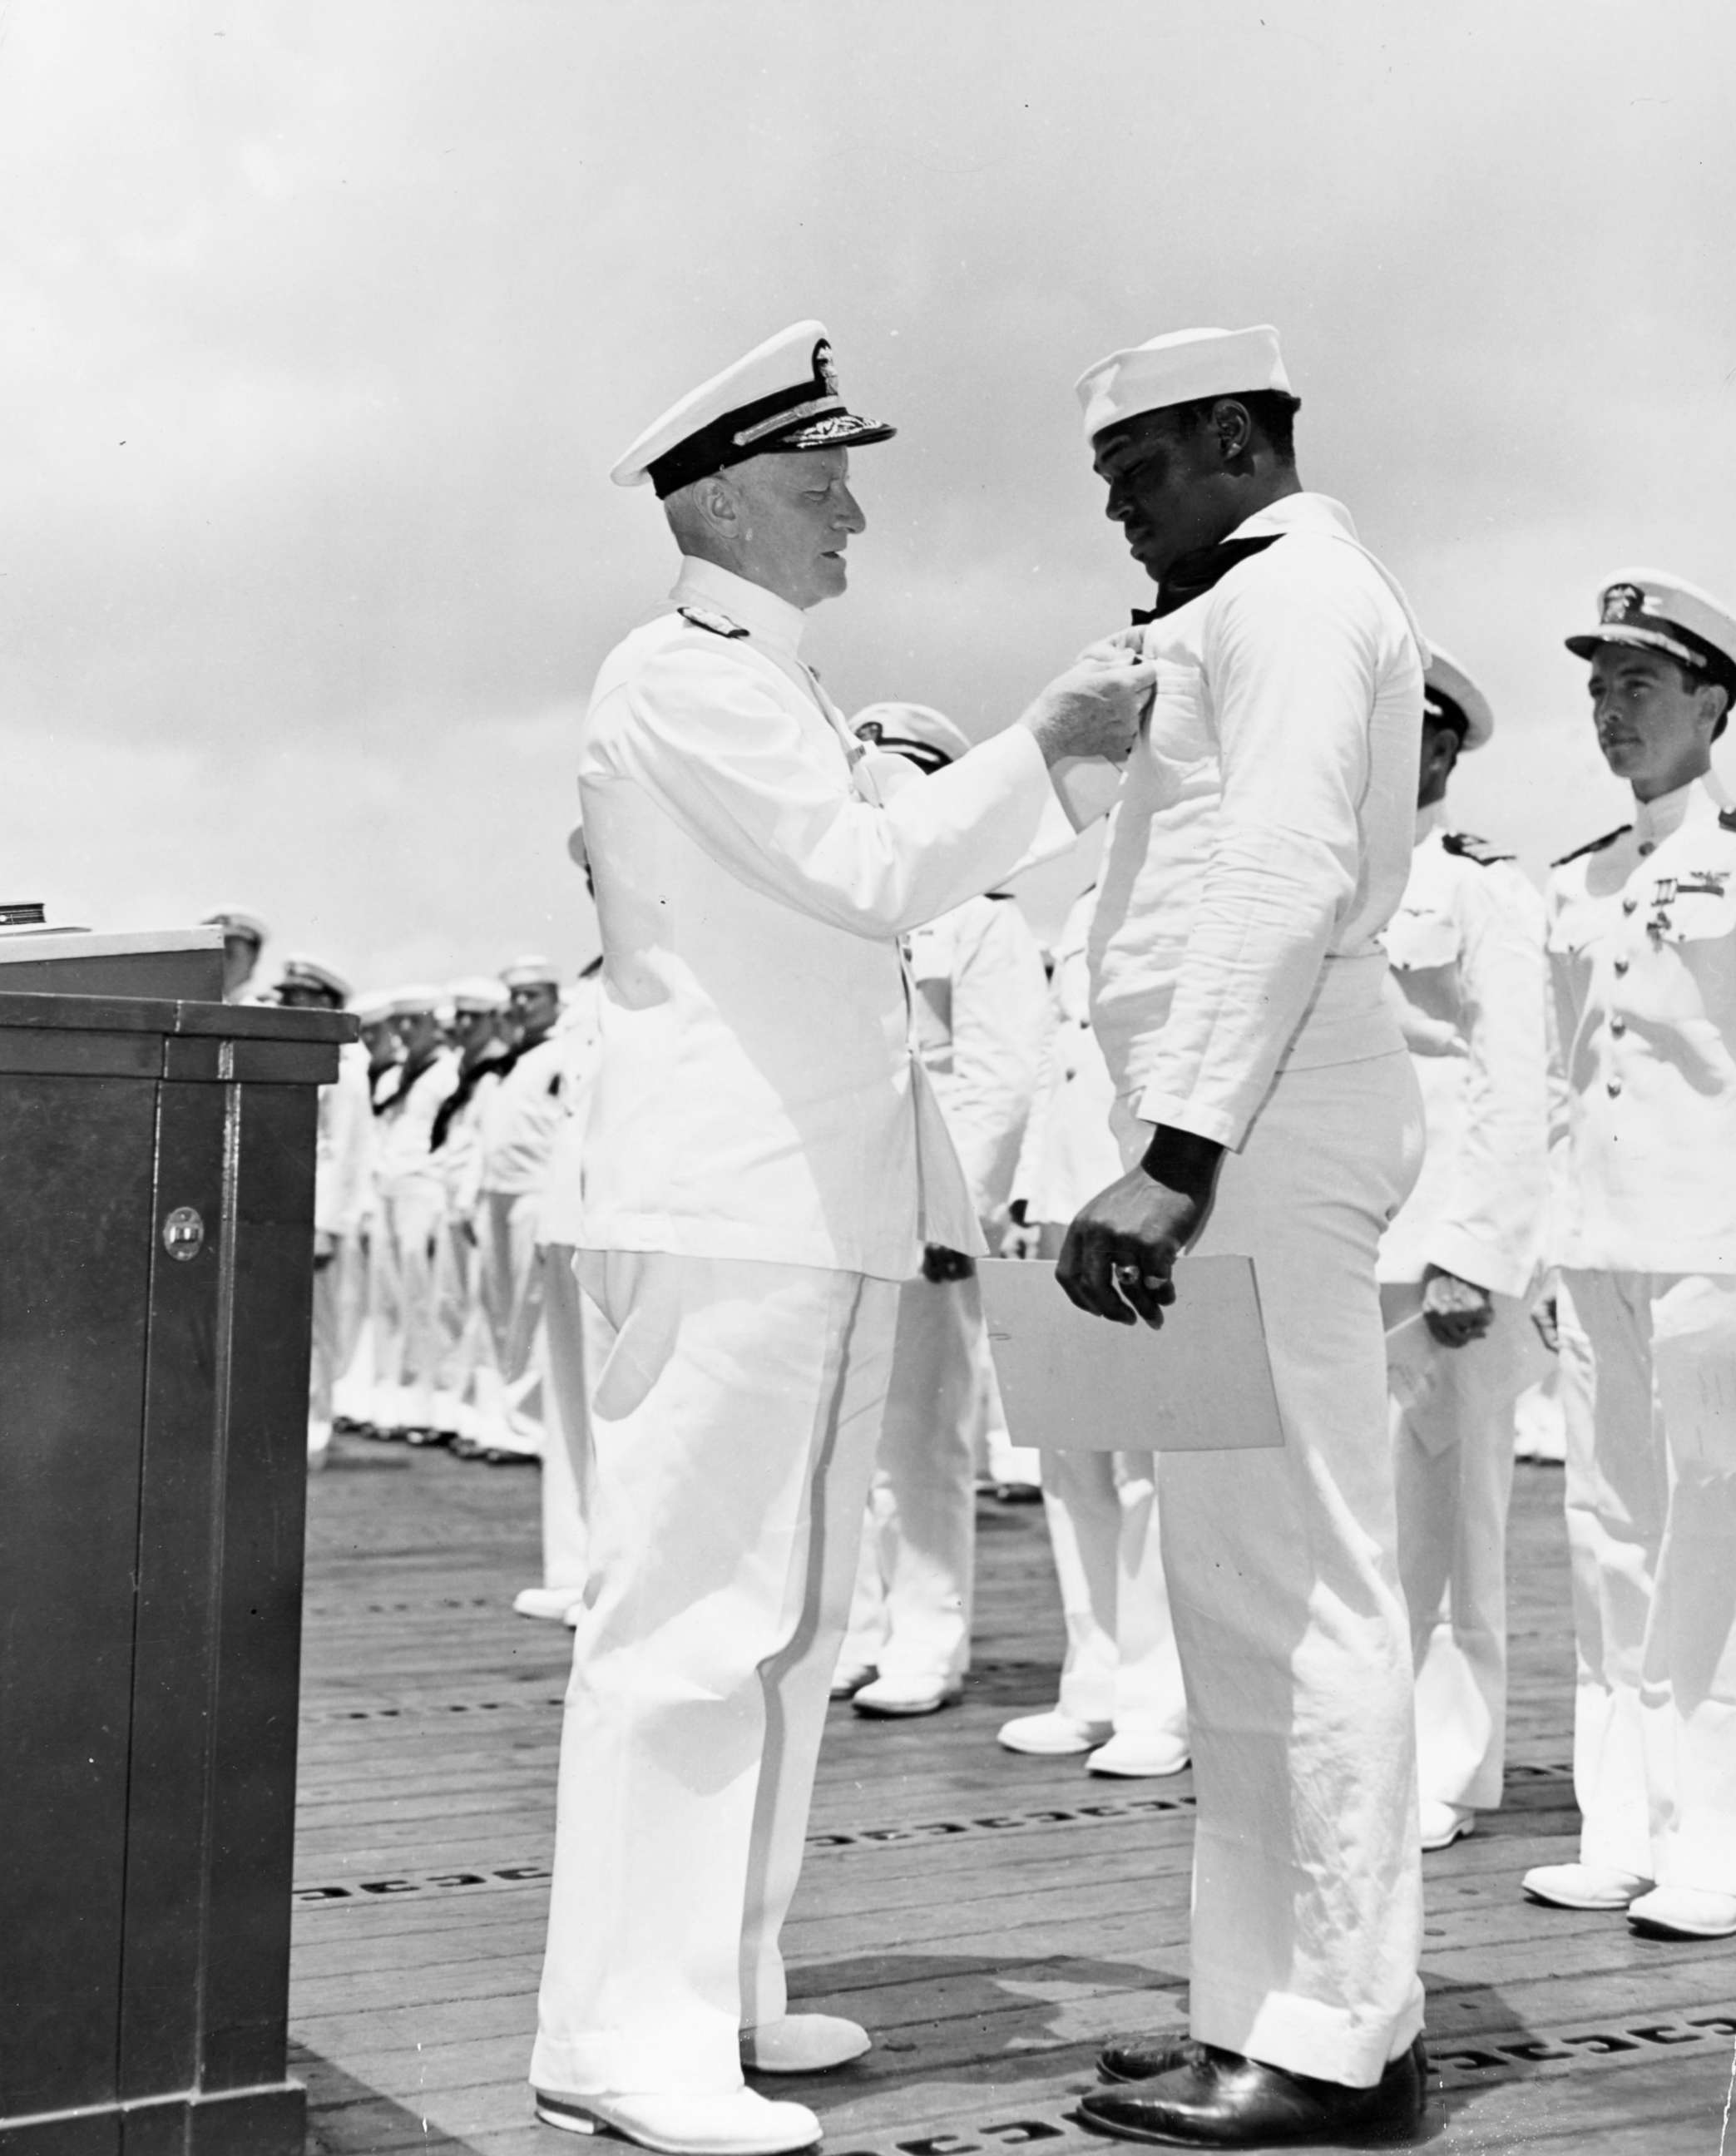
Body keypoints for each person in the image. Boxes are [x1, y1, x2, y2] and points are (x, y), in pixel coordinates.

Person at [528, 318, 1151, 2156]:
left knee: (784, 1620)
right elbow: (879, 875)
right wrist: (1046, 736)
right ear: (719, 500)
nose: (853, 518)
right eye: (818, 488)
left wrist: (1070, 765)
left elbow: (926, 864)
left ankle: (714, 1987)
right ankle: (617, 2038)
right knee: (687, 1619)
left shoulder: (775, 694)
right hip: (731, 1207)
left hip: (810, 1210)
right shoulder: (687, 679)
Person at [1056, 325, 1431, 2147]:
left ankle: (1334, 2035)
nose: (1117, 510)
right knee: (1233, 1584)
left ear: (1227, 437)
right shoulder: (1235, 601)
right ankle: (1263, 2004)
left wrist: (1178, 1149)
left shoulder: (1290, 598)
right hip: (1225, 1118)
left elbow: (1275, 869)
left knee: (1304, 1578)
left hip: (1258, 1118)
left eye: (1136, 470)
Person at [1521, 570, 1736, 1941]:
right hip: (1597, 1242)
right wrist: (1545, 1243)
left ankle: (1714, 1843)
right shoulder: (1583, 875)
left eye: (1640, 686)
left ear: (1712, 703)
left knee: (1716, 1541)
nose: (1611, 711)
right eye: (1598, 688)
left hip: (1713, 1247)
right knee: (1607, 1533)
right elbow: (1556, 1080)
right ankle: (1624, 1828)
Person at [834, 702, 1051, 1717]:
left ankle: (926, 1637)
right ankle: (864, 1626)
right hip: (848, 1210)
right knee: (852, 1432)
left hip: (928, 1217)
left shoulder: (982, 918)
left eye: (886, 775)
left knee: (922, 1434)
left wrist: (952, 1213)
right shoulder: (849, 916)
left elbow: (1001, 1078)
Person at [1377, 649, 1550, 1853]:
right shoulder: (1334, 877)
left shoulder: (1479, 888)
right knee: (1364, 1521)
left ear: (1443, 749)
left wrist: (1471, 1255)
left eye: (1407, 734)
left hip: (1440, 1247)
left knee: (1446, 1513)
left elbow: (1511, 1080)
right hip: (1348, 1243)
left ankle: (1450, 1765)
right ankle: (1376, 1751)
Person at [997, 878, 1190, 1777]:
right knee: (1069, 1459)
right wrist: (1028, 1189)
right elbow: (1053, 1063)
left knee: (1145, 1464)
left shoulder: (1189, 873)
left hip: (1134, 1193)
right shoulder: (1079, 904)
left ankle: (1156, 1703)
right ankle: (1094, 1683)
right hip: (1062, 1198)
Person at [470, 956, 568, 1462]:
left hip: (535, 1192)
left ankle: (529, 1427)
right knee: (501, 1313)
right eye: (518, 997)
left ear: (555, 1000)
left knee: (532, 1314)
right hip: (497, 1194)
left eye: (535, 995)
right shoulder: (515, 1061)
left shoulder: (563, 1053)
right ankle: (501, 1421)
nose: (524, 1005)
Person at [276, 955, 373, 1467]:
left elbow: (347, 1152)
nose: (288, 1005)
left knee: (316, 1331)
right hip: (289, 1211)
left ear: (327, 1004)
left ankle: (314, 1430)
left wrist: (328, 1226)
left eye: (299, 997)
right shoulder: (300, 1060)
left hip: (318, 1218)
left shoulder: (345, 1069)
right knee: (291, 1327)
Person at [367, 987, 459, 1441]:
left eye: (416, 1021)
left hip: (423, 1191)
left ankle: (431, 1404)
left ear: (434, 1024)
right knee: (388, 1299)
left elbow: (452, 1137)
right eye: (400, 1022)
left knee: (424, 1298)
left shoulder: (448, 1073)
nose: (406, 1031)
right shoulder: (394, 1079)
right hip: (387, 1189)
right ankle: (393, 1402)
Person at [429, 978, 513, 1447]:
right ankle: (458, 1411)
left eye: (472, 1018)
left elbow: (486, 1145)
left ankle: (489, 1417)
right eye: (458, 1016)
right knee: (452, 1309)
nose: (462, 1026)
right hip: (453, 1205)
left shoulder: (498, 1072)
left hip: (476, 1207)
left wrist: (465, 1204)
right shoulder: (466, 1070)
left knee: (485, 1314)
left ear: (493, 1021)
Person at [201, 905, 269, 1002]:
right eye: (213, 954)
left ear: (254, 957)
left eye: (229, 953)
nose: (219, 962)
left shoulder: (269, 1012)